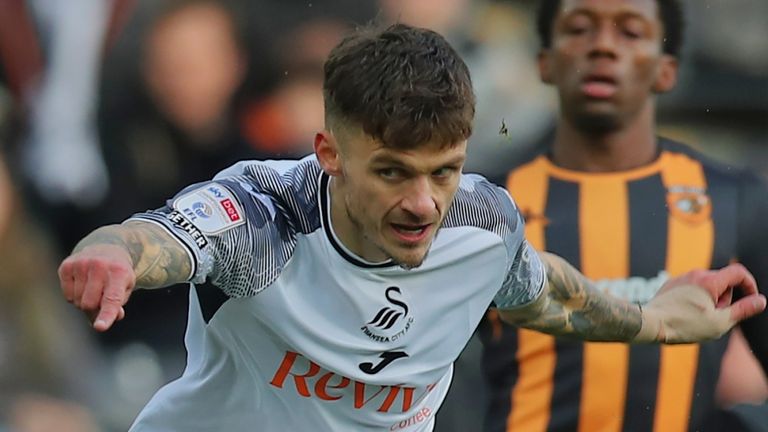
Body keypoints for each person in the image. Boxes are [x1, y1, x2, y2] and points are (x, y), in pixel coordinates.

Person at [57, 23, 765, 432]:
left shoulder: (482, 221)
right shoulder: (264, 218)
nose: (425, 204)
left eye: (445, 171)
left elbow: (544, 294)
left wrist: (658, 320)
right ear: (329, 152)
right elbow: (157, 239)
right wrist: (113, 253)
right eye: (393, 172)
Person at [478, 1, 768, 432]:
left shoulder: (736, 198)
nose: (603, 47)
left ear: (666, 70)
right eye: (578, 29)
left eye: (630, 32)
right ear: (545, 62)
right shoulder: (487, 205)